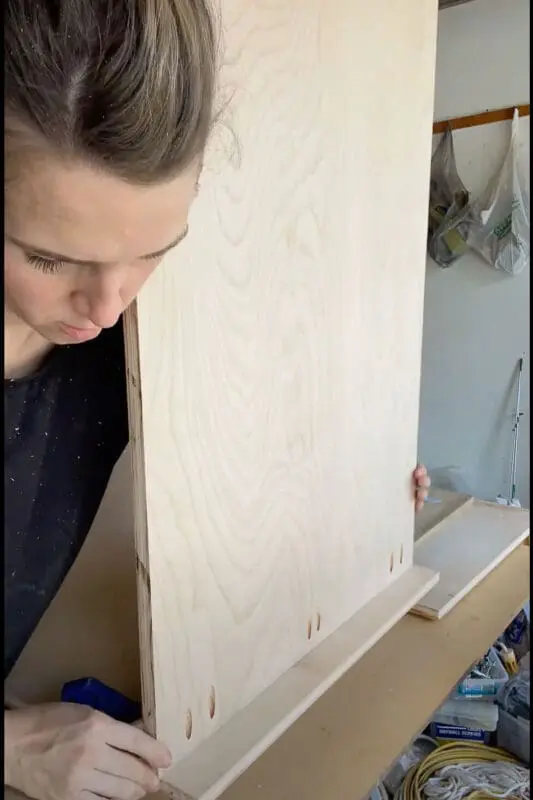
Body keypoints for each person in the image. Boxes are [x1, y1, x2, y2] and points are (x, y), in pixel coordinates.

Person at [4, 2, 431, 799]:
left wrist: (359, 484)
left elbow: (243, 466)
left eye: (153, 251)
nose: (105, 306)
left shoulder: (126, 340)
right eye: (48, 256)